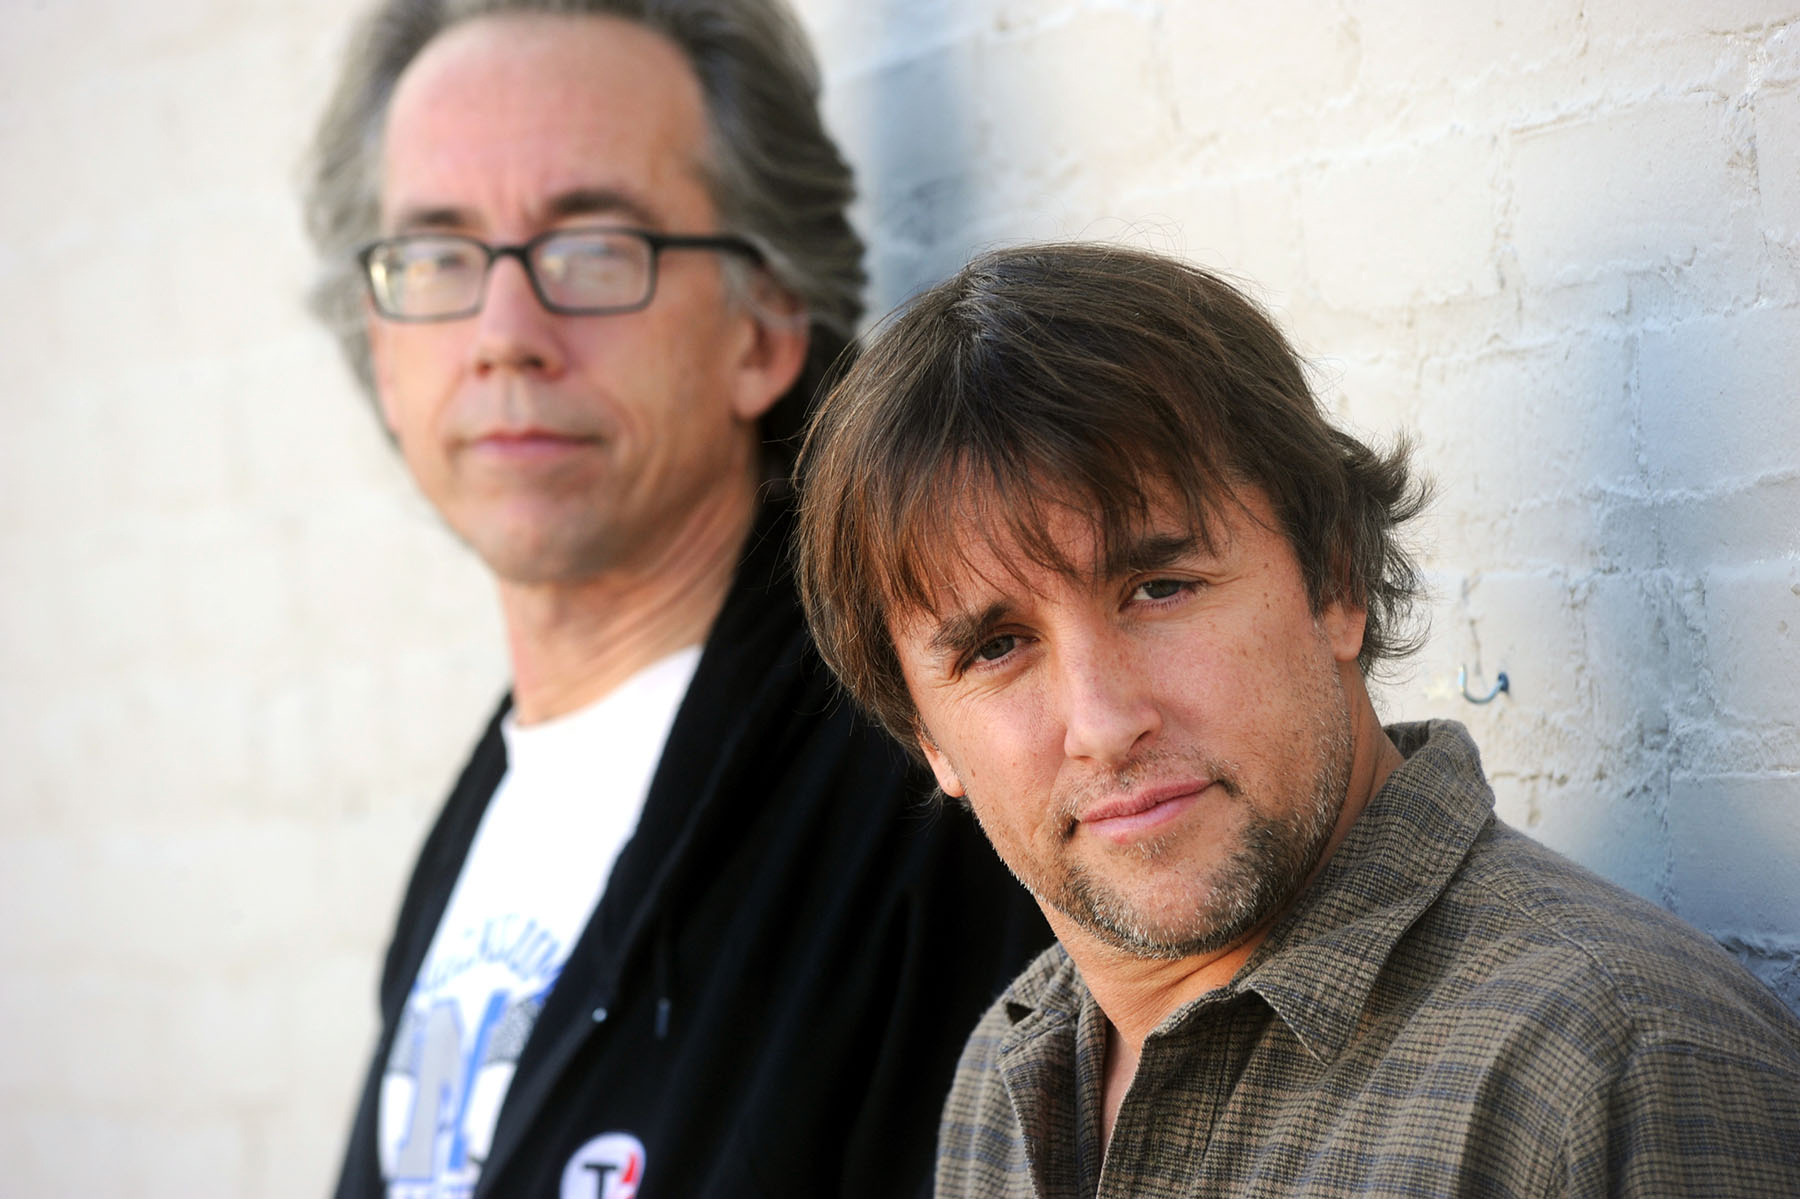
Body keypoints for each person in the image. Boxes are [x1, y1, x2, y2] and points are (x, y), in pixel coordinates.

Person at [793, 241, 1800, 1198]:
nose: (1102, 722)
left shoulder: (1608, 1063)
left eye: (1161, 587)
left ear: (1336, 579)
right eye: (996, 646)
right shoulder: (1013, 1072)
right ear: (927, 733)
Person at [300, 3, 1049, 1196]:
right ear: (384, 352)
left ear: (764, 325)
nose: (504, 335)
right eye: (438, 256)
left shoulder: (923, 788)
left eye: (592, 249)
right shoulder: (486, 814)